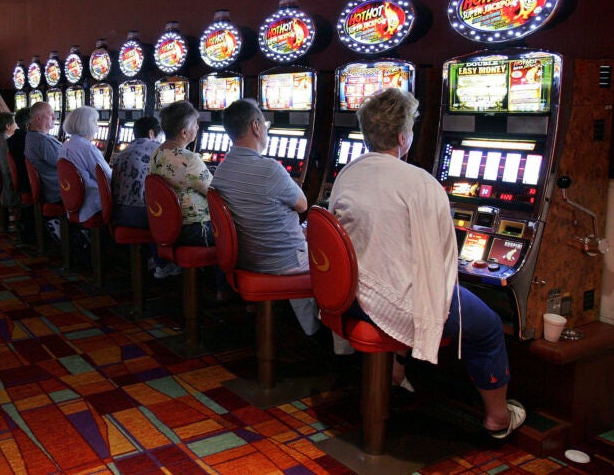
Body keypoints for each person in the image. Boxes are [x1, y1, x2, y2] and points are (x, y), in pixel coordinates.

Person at [328, 88, 525, 439]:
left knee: (401, 275)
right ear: (404, 137)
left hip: (347, 294)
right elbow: (438, 262)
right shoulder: (421, 183)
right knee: (491, 326)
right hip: (385, 301)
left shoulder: (348, 172)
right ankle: (498, 417)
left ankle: (397, 373)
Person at [210, 99, 335, 343]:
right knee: (341, 259)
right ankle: (324, 338)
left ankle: (307, 328)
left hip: (244, 257)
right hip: (279, 261)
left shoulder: (221, 170)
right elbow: (303, 205)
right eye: (265, 125)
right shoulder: (269, 169)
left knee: (305, 236)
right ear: (256, 127)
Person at [111, 115, 179, 278]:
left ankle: (154, 259)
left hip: (119, 214)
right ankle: (165, 262)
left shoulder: (121, 153)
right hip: (147, 217)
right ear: (151, 133)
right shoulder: (160, 151)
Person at [149, 100, 213, 246]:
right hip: (194, 230)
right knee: (238, 231)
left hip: (165, 226)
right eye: (195, 124)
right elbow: (214, 193)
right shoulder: (189, 159)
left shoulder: (156, 153)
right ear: (184, 132)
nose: (198, 127)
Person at [58, 106, 112, 223]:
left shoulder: (65, 145)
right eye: (95, 122)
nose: (97, 127)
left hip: (73, 201)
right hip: (92, 204)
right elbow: (108, 177)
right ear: (88, 125)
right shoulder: (87, 148)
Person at [25, 102, 62, 241]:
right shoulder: (42, 141)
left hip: (51, 188)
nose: (54, 117)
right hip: (60, 191)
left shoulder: (33, 136)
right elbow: (70, 165)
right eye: (50, 114)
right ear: (39, 119)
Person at [8, 107, 35, 243]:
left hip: (21, 182)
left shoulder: (12, 139)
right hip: (30, 184)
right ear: (27, 125)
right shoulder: (30, 141)